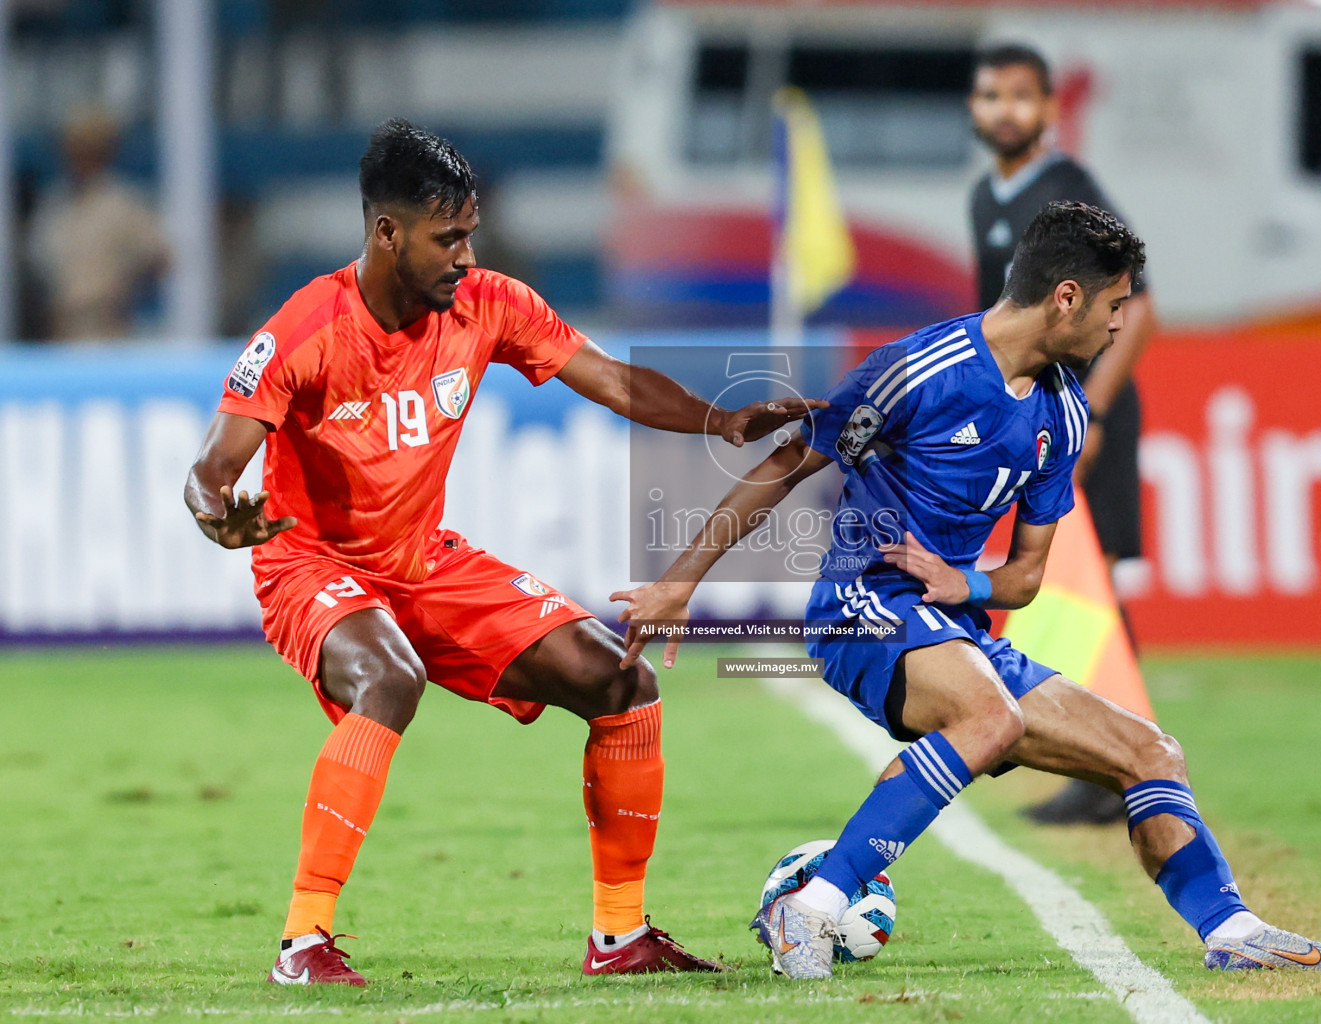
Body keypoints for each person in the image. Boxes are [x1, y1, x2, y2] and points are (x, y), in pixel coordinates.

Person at [613, 202, 1321, 979]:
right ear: (1067, 298)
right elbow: (786, 465)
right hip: (859, 609)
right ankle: (807, 906)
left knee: (1151, 752)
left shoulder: (1065, 416)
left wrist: (963, 580)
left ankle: (1231, 929)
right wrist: (679, 585)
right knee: (988, 716)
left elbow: (1026, 577)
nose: (1121, 326)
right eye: (1116, 305)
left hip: (955, 628)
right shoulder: (921, 370)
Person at [184, 119, 822, 986]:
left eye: (469, 233)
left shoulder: (490, 302)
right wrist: (220, 514)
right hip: (312, 565)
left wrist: (717, 417)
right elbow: (212, 468)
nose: (464, 253)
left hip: (423, 561)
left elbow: (613, 378)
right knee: (389, 677)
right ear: (386, 233)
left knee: (621, 680)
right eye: (447, 237)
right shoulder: (306, 328)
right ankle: (303, 944)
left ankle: (619, 936)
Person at [968, 43, 1157, 825]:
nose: (1003, 110)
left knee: (1093, 583)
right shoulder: (986, 195)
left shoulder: (1068, 189)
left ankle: (1126, 764)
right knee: (1064, 581)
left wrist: (1098, 412)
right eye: (988, 95)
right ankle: (1103, 763)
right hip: (1037, 415)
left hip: (1085, 414)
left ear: (1048, 108)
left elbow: (1139, 306)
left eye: (1020, 96)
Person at [28, 106, 169, 340]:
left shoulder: (123, 202)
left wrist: (126, 293)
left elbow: (160, 257)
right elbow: (39, 263)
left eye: (87, 148)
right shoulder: (54, 204)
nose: (78, 157)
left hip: (107, 328)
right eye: (73, 148)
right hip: (61, 326)